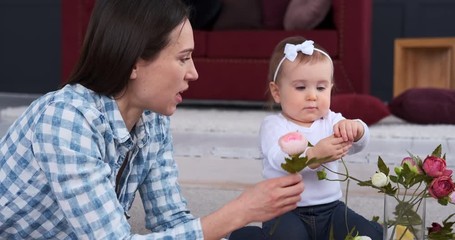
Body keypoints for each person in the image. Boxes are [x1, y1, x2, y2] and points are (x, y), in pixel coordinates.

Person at [0, 1, 304, 239]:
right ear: (134, 63)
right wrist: (238, 212)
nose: (193, 73)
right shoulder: (67, 120)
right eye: (183, 57)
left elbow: (170, 219)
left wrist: (237, 225)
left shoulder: (152, 119)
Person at [259, 36, 383, 239]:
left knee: (369, 233)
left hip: (331, 209)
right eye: (301, 87)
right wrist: (315, 154)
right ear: (277, 92)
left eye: (321, 88)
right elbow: (278, 160)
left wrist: (356, 129)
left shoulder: (331, 120)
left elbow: (358, 143)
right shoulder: (274, 125)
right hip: (284, 211)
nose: (312, 96)